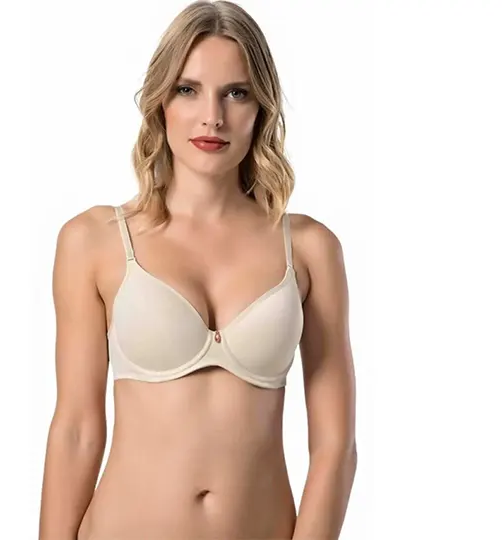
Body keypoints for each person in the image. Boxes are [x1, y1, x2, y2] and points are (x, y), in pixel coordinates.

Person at [38, 1, 357, 539]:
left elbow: (335, 447)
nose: (213, 116)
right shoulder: (94, 241)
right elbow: (76, 430)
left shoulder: (309, 249)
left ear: (261, 107)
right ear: (161, 100)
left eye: (237, 93)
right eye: (188, 89)